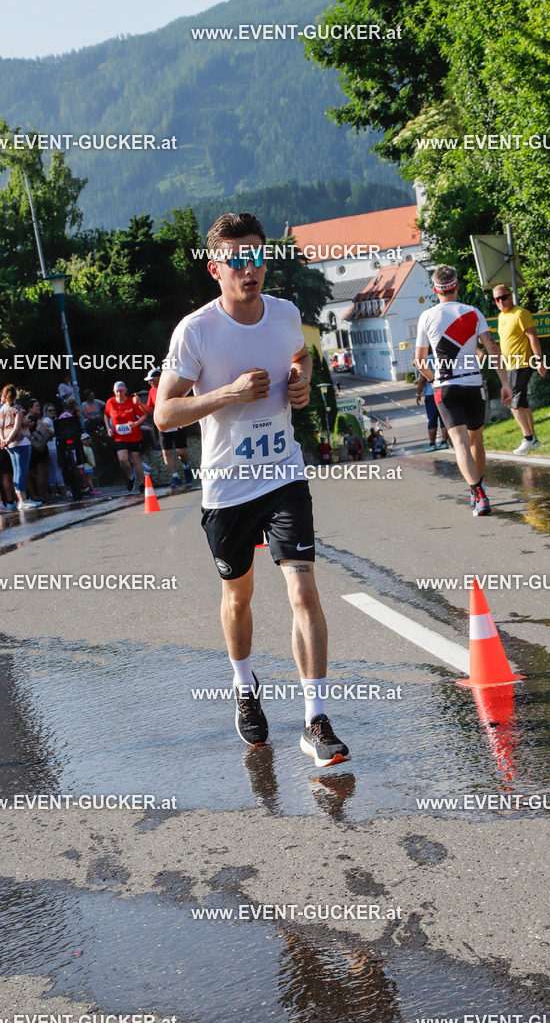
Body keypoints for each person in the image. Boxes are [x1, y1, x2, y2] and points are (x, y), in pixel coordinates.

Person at [154, 211, 349, 767]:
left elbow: (301, 354)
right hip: (227, 487)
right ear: (216, 269)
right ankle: (244, 683)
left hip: (284, 474)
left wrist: (302, 382)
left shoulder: (286, 315)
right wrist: (228, 394)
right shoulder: (195, 330)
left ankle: (315, 720)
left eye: (257, 256)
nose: (249, 268)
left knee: (302, 590)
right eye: (237, 260)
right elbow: (165, 413)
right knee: (238, 596)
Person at [415, 265, 512, 516]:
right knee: (476, 440)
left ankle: (478, 494)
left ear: (435, 289)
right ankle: (477, 490)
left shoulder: (426, 317)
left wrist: (434, 378)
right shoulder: (472, 312)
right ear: (457, 286)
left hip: (445, 388)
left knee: (459, 443)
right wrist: (505, 383)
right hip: (473, 385)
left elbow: (419, 361)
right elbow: (492, 348)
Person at [493, 284, 546, 454]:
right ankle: (534, 439)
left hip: (521, 363)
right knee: (521, 402)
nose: (501, 301)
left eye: (504, 297)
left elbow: (532, 336)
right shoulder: (501, 317)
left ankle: (528, 439)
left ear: (510, 296)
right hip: (510, 365)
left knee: (513, 403)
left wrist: (539, 360)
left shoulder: (521, 313)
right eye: (497, 299)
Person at [140, 367, 194, 487]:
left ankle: (186, 466)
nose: (149, 382)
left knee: (181, 452)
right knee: (166, 453)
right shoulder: (151, 391)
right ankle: (175, 477)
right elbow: (149, 409)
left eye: (151, 379)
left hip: (176, 422)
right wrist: (139, 403)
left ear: (159, 377)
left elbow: (181, 402)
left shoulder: (171, 386)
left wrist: (183, 419)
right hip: (163, 425)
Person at [0, 385, 42, 509]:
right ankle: (22, 500)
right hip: (21, 441)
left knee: (16, 471)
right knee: (21, 470)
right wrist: (8, 439)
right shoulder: (18, 409)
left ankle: (20, 499)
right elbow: (17, 427)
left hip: (9, 443)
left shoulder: (1, 410)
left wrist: (3, 440)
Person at [104, 381, 146, 492]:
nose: (119, 394)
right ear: (114, 391)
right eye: (117, 391)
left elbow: (144, 415)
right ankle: (130, 477)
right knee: (122, 459)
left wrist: (135, 424)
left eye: (121, 391)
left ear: (125, 391)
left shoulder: (131, 402)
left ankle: (142, 483)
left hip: (134, 435)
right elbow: (106, 415)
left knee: (135, 459)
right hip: (119, 437)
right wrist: (108, 428)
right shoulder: (110, 402)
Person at [415, 351, 449, 451]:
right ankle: (444, 442)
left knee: (432, 419)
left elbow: (422, 379)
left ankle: (432, 444)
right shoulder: (440, 356)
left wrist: (418, 393)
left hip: (431, 393)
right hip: (443, 390)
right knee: (444, 418)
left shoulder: (425, 360)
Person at [41, 403, 67, 499]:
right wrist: (55, 433)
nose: (52, 412)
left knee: (52, 469)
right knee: (57, 468)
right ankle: (63, 490)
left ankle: (53, 491)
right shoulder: (47, 420)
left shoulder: (49, 420)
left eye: (53, 410)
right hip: (53, 447)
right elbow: (44, 427)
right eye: (49, 410)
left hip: (49, 446)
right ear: (45, 412)